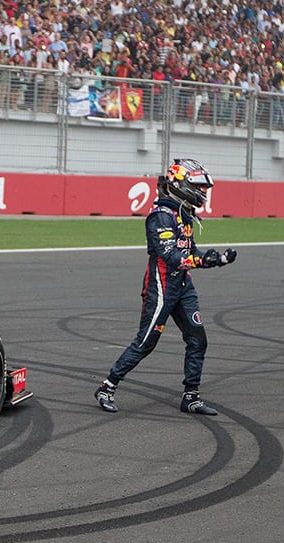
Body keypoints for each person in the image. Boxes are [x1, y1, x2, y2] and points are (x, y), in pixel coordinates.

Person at [94, 159, 237, 416]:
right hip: (161, 286)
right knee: (146, 342)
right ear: (181, 185)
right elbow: (171, 255)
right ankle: (107, 387)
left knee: (197, 339)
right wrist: (206, 260)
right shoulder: (160, 215)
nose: (203, 192)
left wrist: (216, 259)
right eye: (199, 186)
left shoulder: (185, 214)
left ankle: (191, 397)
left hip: (183, 286)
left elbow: (189, 251)